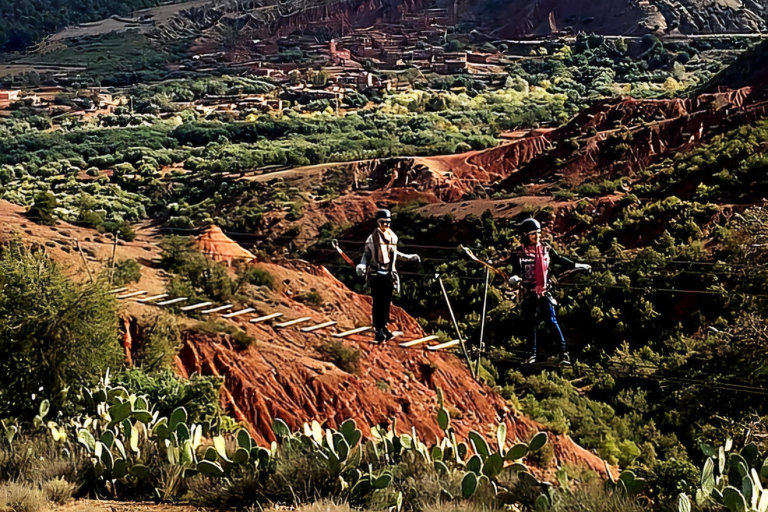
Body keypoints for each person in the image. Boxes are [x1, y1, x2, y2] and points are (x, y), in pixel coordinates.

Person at [505, 218, 591, 366]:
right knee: (530, 324)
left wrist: (577, 265)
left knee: (551, 321)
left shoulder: (546, 249)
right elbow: (516, 272)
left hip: (544, 292)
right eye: (533, 234)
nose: (536, 236)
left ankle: (564, 354)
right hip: (528, 293)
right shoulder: (518, 254)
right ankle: (531, 354)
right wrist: (515, 278)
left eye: (538, 233)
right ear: (526, 235)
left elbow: (560, 260)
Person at [357, 209, 421, 343]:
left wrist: (408, 257)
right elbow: (366, 255)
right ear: (378, 222)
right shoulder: (372, 238)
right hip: (376, 273)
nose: (385, 225)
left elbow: (394, 252)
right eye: (383, 223)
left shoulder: (392, 237)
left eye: (388, 223)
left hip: (388, 274)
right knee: (378, 302)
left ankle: (384, 327)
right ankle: (378, 329)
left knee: (386, 301)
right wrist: (362, 265)